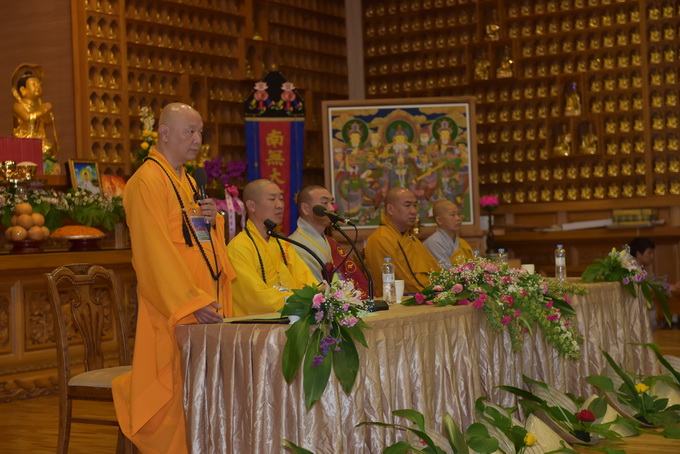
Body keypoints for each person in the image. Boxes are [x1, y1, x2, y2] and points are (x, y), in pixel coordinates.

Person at [112, 103, 236, 454]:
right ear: (164, 133)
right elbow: (153, 252)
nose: (197, 140)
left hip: (204, 302)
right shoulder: (146, 181)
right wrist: (189, 302)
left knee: (204, 392)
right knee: (173, 393)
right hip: (175, 309)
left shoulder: (189, 181)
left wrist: (214, 222)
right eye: (189, 132)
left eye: (200, 132)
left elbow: (196, 241)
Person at [227, 179, 317, 316]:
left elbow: (306, 280)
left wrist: (320, 295)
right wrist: (295, 301)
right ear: (251, 205)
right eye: (272, 199)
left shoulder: (282, 244)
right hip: (256, 326)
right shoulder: (238, 247)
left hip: (291, 318)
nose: (280, 205)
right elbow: (254, 297)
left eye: (281, 198)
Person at [289, 185, 370, 297]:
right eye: (324, 203)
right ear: (305, 209)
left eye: (332, 203)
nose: (331, 209)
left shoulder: (330, 242)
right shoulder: (293, 246)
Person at [364, 187, 440, 294]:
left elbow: (435, 271)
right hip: (403, 299)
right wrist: (432, 294)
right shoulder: (380, 239)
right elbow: (400, 281)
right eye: (407, 205)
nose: (414, 211)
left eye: (415, 205)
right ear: (390, 209)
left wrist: (447, 288)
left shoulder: (411, 239)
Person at [11, 65, 59, 172]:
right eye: (34, 84)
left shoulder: (39, 105)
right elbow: (27, 117)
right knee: (32, 150)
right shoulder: (18, 106)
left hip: (39, 140)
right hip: (24, 140)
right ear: (23, 90)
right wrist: (41, 112)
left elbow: (46, 122)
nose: (38, 87)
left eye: (39, 84)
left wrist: (47, 114)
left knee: (48, 148)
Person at [423, 200, 474, 267]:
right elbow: (446, 271)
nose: (458, 218)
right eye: (452, 215)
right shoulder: (433, 243)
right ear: (439, 220)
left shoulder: (461, 242)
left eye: (458, 214)